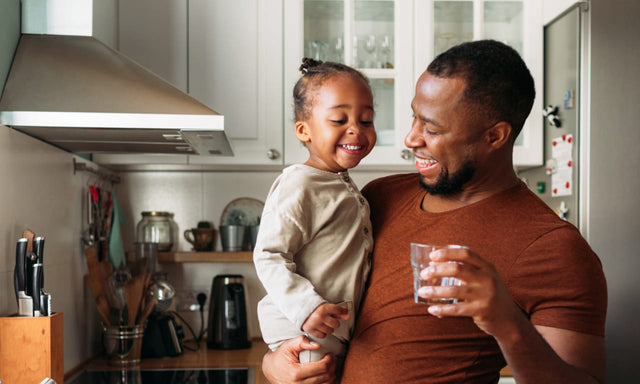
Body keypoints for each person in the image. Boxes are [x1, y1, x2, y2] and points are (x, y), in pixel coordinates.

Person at [261, 40, 607, 384]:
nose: (411, 139)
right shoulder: (378, 198)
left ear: (495, 136)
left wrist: (506, 323)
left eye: (432, 128)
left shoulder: (553, 248)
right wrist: (274, 363)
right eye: (414, 117)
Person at [253, 58, 376, 377]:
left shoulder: (341, 183)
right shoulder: (299, 183)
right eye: (339, 119)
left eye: (366, 120)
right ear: (303, 130)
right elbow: (269, 256)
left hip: (331, 331)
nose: (355, 129)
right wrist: (306, 307)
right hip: (304, 331)